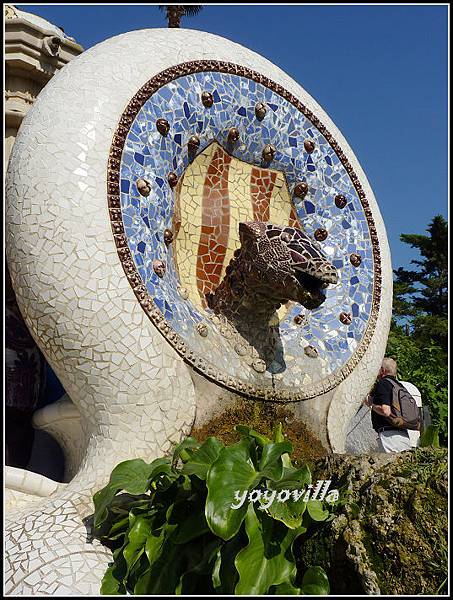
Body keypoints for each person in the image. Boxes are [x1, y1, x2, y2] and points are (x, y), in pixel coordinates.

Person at [363, 357, 413, 453]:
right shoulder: (398, 385)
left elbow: (385, 411)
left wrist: (371, 405)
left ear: (383, 370)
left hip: (389, 437)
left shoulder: (383, 383)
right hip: (404, 435)